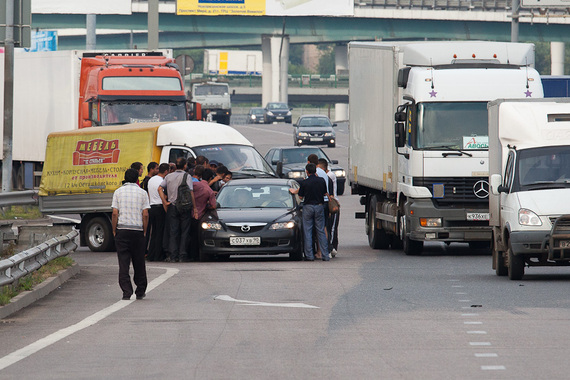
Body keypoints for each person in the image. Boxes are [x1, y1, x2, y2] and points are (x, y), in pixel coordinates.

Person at [111, 168, 150, 300]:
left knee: (123, 262)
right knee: (139, 262)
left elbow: (115, 213)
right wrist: (144, 230)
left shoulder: (118, 192)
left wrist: (114, 229)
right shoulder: (143, 193)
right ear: (136, 179)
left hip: (122, 230)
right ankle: (140, 290)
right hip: (137, 231)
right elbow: (145, 214)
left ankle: (126, 291)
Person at [158, 157, 198, 262]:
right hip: (184, 206)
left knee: (173, 231)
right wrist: (194, 207)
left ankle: (173, 255)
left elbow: (159, 188)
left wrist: (165, 202)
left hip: (172, 206)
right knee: (184, 231)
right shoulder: (187, 176)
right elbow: (191, 192)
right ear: (185, 166)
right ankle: (182, 255)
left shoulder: (169, 176)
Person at [290, 163, 330, 261]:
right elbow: (325, 192)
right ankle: (325, 255)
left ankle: (309, 256)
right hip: (319, 206)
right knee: (320, 231)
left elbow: (300, 197)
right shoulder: (321, 181)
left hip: (308, 207)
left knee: (307, 231)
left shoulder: (304, 183)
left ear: (307, 172)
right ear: (315, 171)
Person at [189, 165, 217, 260]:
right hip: (199, 216)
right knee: (196, 237)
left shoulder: (194, 184)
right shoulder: (209, 191)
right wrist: (206, 206)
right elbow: (213, 206)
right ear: (210, 178)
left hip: (187, 214)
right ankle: (195, 256)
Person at [146, 163, 169, 262]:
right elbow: (163, 196)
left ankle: (151, 254)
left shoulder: (151, 179)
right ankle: (158, 255)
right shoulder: (162, 181)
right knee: (160, 233)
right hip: (160, 207)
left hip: (151, 207)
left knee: (154, 232)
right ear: (166, 171)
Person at [322, 159, 340, 257]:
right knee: (329, 227)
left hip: (331, 204)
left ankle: (331, 247)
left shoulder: (329, 176)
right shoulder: (326, 176)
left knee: (331, 227)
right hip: (329, 203)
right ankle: (331, 247)